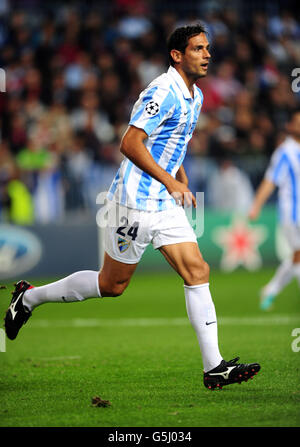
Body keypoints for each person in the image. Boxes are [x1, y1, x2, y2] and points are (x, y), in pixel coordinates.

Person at [4, 25, 260, 390]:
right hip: (133, 201)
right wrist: (170, 181)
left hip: (163, 201)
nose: (207, 54)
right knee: (112, 285)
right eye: (198, 48)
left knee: (197, 270)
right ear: (177, 55)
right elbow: (130, 142)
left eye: (208, 48)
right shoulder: (162, 90)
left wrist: (179, 175)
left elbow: (172, 142)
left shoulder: (196, 96)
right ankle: (28, 298)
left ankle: (214, 367)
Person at [249, 110, 300, 310]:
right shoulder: (285, 152)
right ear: (290, 126)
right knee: (298, 254)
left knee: (297, 256)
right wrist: (256, 205)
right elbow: (271, 180)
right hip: (292, 213)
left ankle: (271, 289)